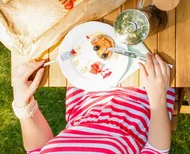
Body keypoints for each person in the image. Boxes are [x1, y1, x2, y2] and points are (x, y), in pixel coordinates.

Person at [12, 53, 174, 154]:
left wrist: (23, 104)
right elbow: (157, 150)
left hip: (84, 99)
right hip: (142, 99)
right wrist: (157, 95)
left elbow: (37, 149)